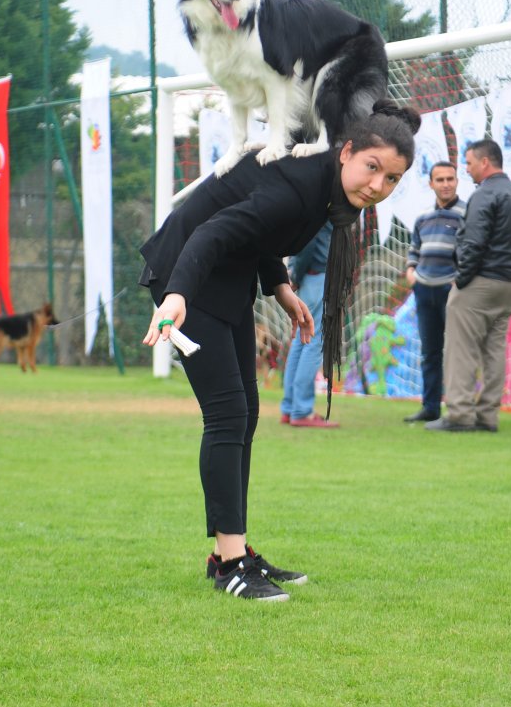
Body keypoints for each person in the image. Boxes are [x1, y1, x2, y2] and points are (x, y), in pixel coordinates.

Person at [140, 99, 419, 601]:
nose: (377, 186)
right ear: (346, 152)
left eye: (392, 179)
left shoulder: (321, 187)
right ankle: (230, 567)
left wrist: (282, 289)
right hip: (189, 273)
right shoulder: (302, 185)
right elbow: (213, 229)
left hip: (226, 278)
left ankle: (233, 552)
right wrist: (176, 295)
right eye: (372, 168)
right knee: (227, 416)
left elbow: (258, 229)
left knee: (245, 414)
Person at [427, 139, 511, 433]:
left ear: (485, 162)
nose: (468, 169)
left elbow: (473, 242)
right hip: (509, 284)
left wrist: (462, 278)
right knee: (495, 351)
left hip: (479, 282)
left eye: (470, 162)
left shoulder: (484, 194)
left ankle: (459, 414)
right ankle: (488, 416)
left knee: (461, 348)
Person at [403, 162, 465, 424]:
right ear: (431, 184)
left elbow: (471, 251)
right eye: (439, 179)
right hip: (423, 289)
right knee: (430, 352)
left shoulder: (467, 214)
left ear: (457, 181)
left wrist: (458, 282)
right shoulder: (423, 217)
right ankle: (430, 407)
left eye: (450, 178)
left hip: (451, 290)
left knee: (457, 352)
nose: (446, 184)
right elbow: (414, 249)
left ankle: (458, 409)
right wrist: (410, 271)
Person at [280, 221, 338, 429]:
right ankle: (302, 410)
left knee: (301, 341)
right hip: (318, 277)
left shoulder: (309, 201)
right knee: (314, 341)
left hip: (309, 278)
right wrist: (295, 275)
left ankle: (289, 407)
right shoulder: (323, 203)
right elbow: (308, 242)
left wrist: (295, 274)